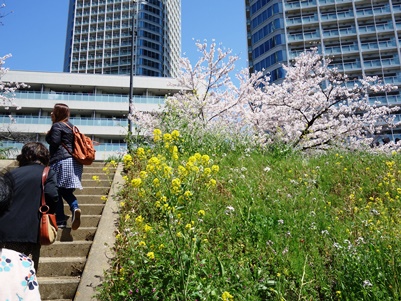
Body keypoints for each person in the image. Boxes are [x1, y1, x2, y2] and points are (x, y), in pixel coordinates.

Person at [0, 142, 58, 272]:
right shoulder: (47, 172)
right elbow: (52, 195)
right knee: (24, 275)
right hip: (28, 233)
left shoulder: (10, 174)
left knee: (4, 276)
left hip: (3, 232)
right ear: (44, 156)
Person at [0, 171, 41, 301]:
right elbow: (53, 195)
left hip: (11, 229)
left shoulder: (14, 174)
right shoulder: (22, 264)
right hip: (32, 228)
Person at [45, 103, 83, 230]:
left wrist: (48, 134)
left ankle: (60, 220)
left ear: (57, 113)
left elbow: (54, 143)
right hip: (74, 162)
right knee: (65, 191)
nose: (51, 113)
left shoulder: (57, 126)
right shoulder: (71, 126)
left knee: (56, 190)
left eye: (53, 111)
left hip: (61, 160)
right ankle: (75, 207)